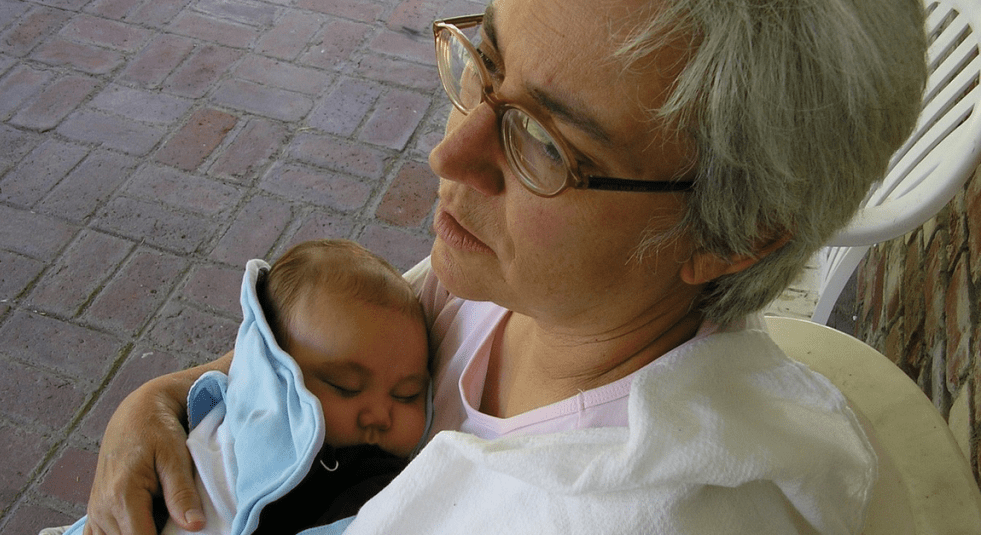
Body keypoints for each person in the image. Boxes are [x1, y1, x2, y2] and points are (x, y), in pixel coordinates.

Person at [78, 0, 928, 533]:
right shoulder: (517, 291)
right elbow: (308, 374)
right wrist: (149, 403)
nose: (454, 152)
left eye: (545, 143)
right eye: (486, 62)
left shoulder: (624, 508)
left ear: (733, 237)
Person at [57, 240, 431, 535]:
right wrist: (143, 406)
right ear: (276, 372)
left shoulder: (371, 483)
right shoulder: (240, 407)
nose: (380, 414)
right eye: (345, 387)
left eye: (407, 394)